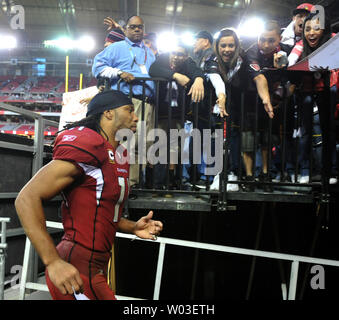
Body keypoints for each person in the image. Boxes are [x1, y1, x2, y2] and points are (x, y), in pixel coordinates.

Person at [15, 90, 163, 300]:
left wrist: (132, 226)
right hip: (77, 264)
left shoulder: (118, 154)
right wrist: (53, 261)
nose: (136, 117)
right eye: (129, 110)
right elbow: (26, 198)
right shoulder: (88, 144)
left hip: (97, 264)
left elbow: (99, 210)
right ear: (108, 113)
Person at [92, 15, 156, 188]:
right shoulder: (117, 48)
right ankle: (121, 183)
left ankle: (133, 183)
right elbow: (97, 67)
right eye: (133, 27)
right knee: (127, 142)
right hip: (128, 101)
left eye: (140, 27)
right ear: (126, 29)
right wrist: (119, 73)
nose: (136, 29)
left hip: (148, 102)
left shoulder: (148, 52)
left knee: (142, 144)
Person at [288, 12, 338, 184]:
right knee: (306, 133)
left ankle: (330, 171)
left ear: (324, 29)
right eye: (307, 29)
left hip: (328, 91)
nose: (311, 33)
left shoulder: (333, 40)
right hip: (307, 93)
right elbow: (291, 60)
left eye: (316, 28)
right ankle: (304, 171)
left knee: (329, 132)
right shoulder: (301, 44)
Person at [149, 40, 205, 192]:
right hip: (161, 114)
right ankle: (158, 183)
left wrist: (199, 80)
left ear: (186, 56)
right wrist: (175, 75)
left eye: (181, 54)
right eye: (174, 53)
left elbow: (197, 72)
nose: (176, 57)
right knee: (161, 148)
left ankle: (173, 181)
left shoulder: (188, 64)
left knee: (177, 150)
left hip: (179, 115)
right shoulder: (162, 59)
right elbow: (153, 70)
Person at [243, 20, 291, 192]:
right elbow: (259, 78)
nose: (266, 44)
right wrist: (266, 99)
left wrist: (278, 98)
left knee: (267, 142)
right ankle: (249, 177)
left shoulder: (287, 52)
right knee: (248, 142)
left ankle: (266, 175)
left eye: (271, 40)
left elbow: (293, 81)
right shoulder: (251, 52)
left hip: (273, 105)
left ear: (279, 39)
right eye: (262, 39)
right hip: (250, 103)